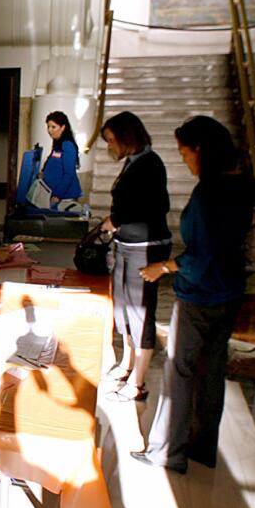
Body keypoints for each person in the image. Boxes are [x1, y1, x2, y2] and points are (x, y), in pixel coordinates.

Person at [131, 116, 255, 474]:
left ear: (201, 150)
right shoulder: (245, 184)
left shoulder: (209, 193)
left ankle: (167, 452)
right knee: (212, 371)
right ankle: (202, 446)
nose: (184, 160)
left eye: (184, 152)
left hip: (200, 295)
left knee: (180, 372)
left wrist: (164, 267)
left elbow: (202, 256)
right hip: (232, 291)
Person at [97, 111, 171, 401]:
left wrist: (116, 220)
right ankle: (127, 363)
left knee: (140, 312)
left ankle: (138, 382)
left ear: (127, 138)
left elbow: (152, 206)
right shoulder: (134, 162)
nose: (110, 147)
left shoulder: (151, 164)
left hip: (146, 247)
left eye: (112, 141)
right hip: (127, 245)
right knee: (123, 310)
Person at [35, 111, 84, 210]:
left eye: (53, 127)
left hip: (65, 198)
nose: (49, 130)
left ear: (63, 127)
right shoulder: (58, 145)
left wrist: (57, 195)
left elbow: (69, 174)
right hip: (56, 196)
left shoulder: (67, 145)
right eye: (48, 127)